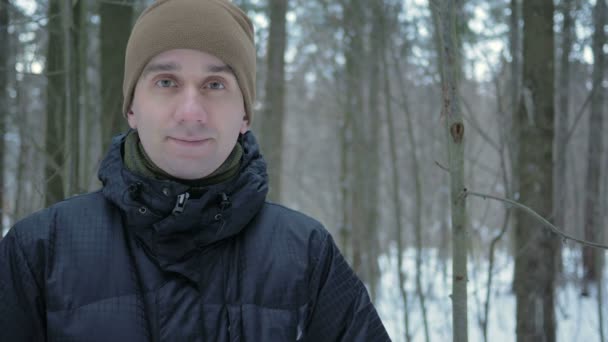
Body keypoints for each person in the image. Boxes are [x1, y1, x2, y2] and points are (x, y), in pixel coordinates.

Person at [0, 0, 390, 340]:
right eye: (166, 81)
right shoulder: (39, 251)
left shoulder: (305, 254)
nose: (191, 112)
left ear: (244, 115)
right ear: (132, 107)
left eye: (215, 84)